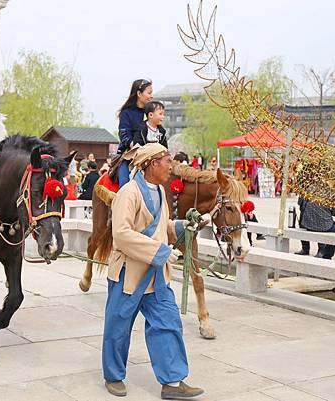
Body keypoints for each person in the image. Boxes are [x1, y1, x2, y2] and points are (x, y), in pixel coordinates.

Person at [103, 142, 204, 399]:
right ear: (151, 164)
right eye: (167, 161)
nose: (171, 166)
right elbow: (121, 234)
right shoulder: (129, 193)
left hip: (157, 276)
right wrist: (160, 252)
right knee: (118, 327)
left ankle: (172, 382)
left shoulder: (160, 191)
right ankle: (113, 375)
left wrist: (182, 226)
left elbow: (161, 226)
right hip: (129, 274)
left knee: (168, 323)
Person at [117, 79, 154, 187]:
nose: (152, 96)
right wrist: (137, 146)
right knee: (125, 186)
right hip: (130, 156)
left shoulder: (151, 113)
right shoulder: (126, 113)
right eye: (149, 93)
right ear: (139, 93)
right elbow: (124, 135)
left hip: (150, 156)